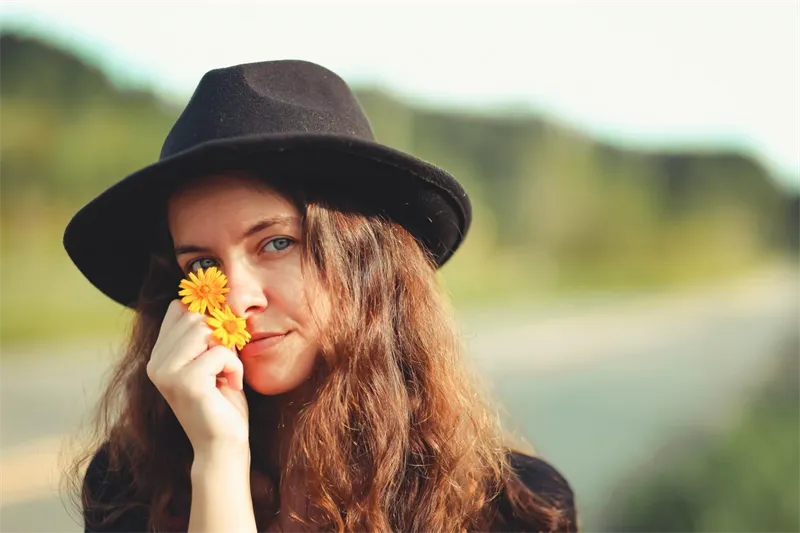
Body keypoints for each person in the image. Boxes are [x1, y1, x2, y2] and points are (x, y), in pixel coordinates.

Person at [63, 59, 578, 533]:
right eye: (202, 265)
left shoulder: (512, 507)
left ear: (366, 260)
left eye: (277, 242)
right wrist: (218, 461)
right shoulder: (130, 491)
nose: (236, 301)